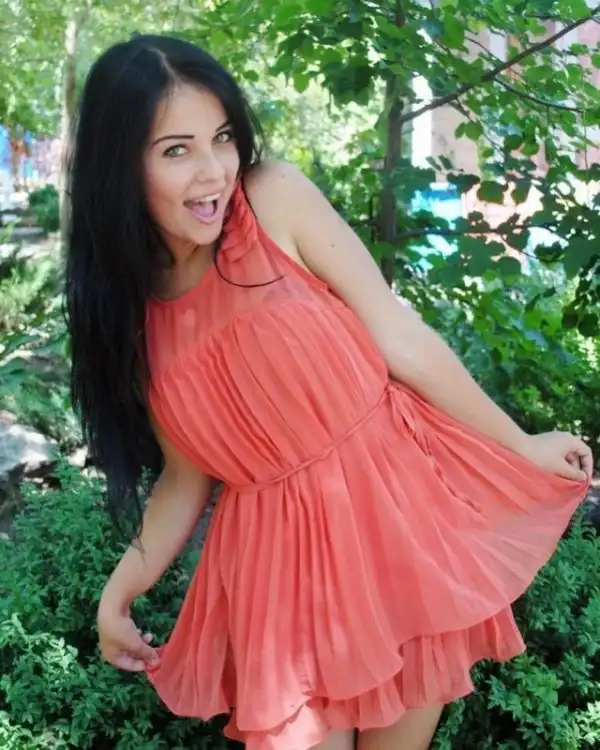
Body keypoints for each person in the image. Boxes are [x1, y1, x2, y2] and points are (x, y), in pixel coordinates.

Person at [65, 34, 592, 750]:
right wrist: (118, 591)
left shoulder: (271, 198)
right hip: (279, 577)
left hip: (395, 516)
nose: (214, 171)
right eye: (176, 150)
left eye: (222, 137)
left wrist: (520, 444)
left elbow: (398, 336)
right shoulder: (134, 320)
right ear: (119, 166)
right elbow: (187, 476)